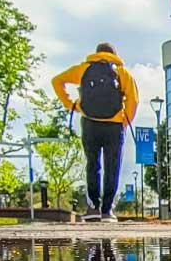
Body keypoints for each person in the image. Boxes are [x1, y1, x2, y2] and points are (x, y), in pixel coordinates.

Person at [52, 42, 139, 222]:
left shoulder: (84, 69)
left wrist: (71, 104)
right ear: (114, 54)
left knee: (92, 164)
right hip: (114, 125)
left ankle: (93, 208)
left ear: (96, 53)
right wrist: (125, 120)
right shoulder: (122, 73)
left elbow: (57, 81)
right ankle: (107, 210)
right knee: (112, 166)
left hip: (90, 123)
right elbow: (133, 99)